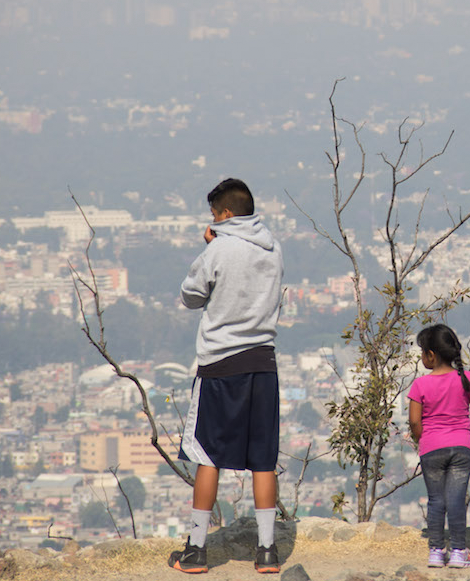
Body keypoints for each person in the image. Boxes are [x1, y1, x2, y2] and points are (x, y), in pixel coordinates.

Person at [167, 178, 285, 575]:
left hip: (219, 365)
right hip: (263, 363)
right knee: (263, 460)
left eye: (215, 214)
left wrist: (210, 247)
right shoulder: (273, 248)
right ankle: (267, 551)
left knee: (207, 456)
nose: (212, 220)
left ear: (226, 215)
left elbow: (190, 296)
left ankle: (197, 551)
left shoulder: (218, 248)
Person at [408, 324, 470, 569]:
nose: (422, 356)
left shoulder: (420, 385)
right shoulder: (465, 379)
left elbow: (415, 421)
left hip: (431, 448)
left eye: (423, 352)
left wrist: (422, 439)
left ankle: (436, 551)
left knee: (436, 500)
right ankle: (458, 551)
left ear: (431, 355)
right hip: (461, 448)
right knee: (456, 499)